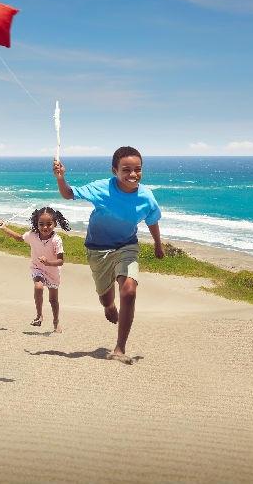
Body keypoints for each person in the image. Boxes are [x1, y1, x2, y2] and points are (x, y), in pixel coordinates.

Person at [53, 146, 164, 364]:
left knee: (129, 291)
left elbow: (152, 221)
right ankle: (109, 305)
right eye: (126, 169)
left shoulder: (147, 198)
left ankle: (120, 349)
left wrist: (158, 245)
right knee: (105, 299)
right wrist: (60, 177)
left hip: (126, 246)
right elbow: (68, 194)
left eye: (137, 169)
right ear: (115, 171)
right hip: (98, 250)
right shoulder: (101, 188)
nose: (133, 174)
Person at [0, 206, 71, 333]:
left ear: (55, 224)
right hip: (37, 267)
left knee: (53, 300)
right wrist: (4, 228)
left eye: (49, 224)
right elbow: (20, 238)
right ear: (37, 223)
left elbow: (61, 261)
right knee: (38, 287)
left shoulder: (56, 240)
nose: (45, 227)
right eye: (41, 224)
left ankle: (56, 321)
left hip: (52, 271)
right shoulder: (32, 235)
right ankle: (39, 315)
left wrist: (48, 262)